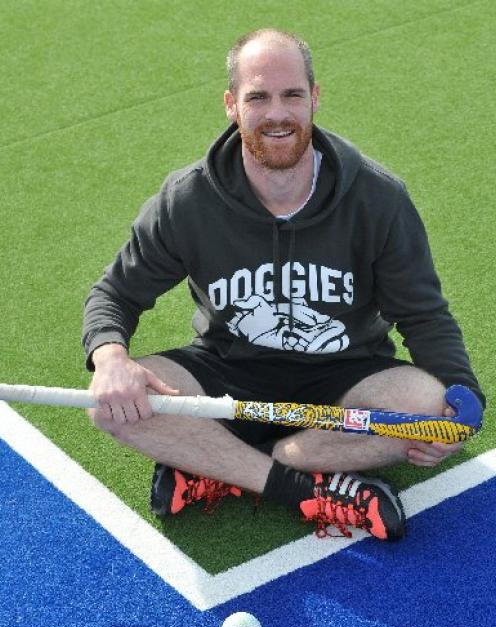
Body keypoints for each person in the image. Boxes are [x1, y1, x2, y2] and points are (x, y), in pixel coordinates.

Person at [83, 28, 484, 541]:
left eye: (292, 95)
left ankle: (226, 464)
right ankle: (303, 489)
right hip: (228, 377)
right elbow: (114, 295)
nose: (277, 114)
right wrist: (111, 358)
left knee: (426, 404)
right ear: (232, 104)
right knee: (109, 405)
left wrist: (462, 395)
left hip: (343, 379)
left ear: (314, 98)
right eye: (258, 97)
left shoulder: (377, 198)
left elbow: (423, 314)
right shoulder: (188, 200)